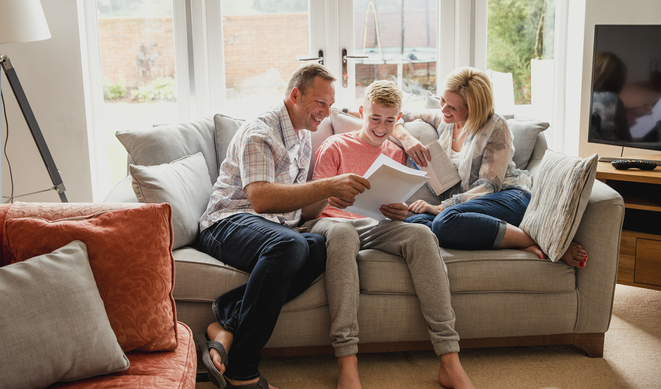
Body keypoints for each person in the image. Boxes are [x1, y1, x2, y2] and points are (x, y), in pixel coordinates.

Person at [197, 63, 371, 389]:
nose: (325, 112)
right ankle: (242, 372)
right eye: (320, 103)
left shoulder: (303, 136)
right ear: (295, 95)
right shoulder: (260, 133)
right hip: (226, 223)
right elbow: (261, 198)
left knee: (319, 247)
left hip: (272, 228)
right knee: (290, 245)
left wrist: (333, 197)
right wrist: (329, 185)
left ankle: (227, 324)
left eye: (330, 106)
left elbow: (300, 209)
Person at [304, 80, 475, 389]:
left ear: (398, 120)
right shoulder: (335, 146)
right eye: (374, 118)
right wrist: (331, 196)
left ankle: (449, 360)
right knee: (343, 234)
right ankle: (347, 361)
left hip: (374, 225)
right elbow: (311, 208)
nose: (381, 127)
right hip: (331, 222)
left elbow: (389, 202)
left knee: (422, 235)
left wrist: (400, 211)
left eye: (389, 120)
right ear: (361, 113)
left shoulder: (394, 153)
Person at [396, 67, 587, 268]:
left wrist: (441, 207)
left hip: (508, 197)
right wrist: (405, 138)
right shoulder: (444, 119)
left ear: (472, 108)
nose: (444, 110)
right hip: (469, 208)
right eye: (442, 101)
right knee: (413, 223)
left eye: (453, 107)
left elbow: (488, 187)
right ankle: (511, 243)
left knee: (444, 221)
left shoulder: (495, 126)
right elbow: (399, 115)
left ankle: (542, 241)